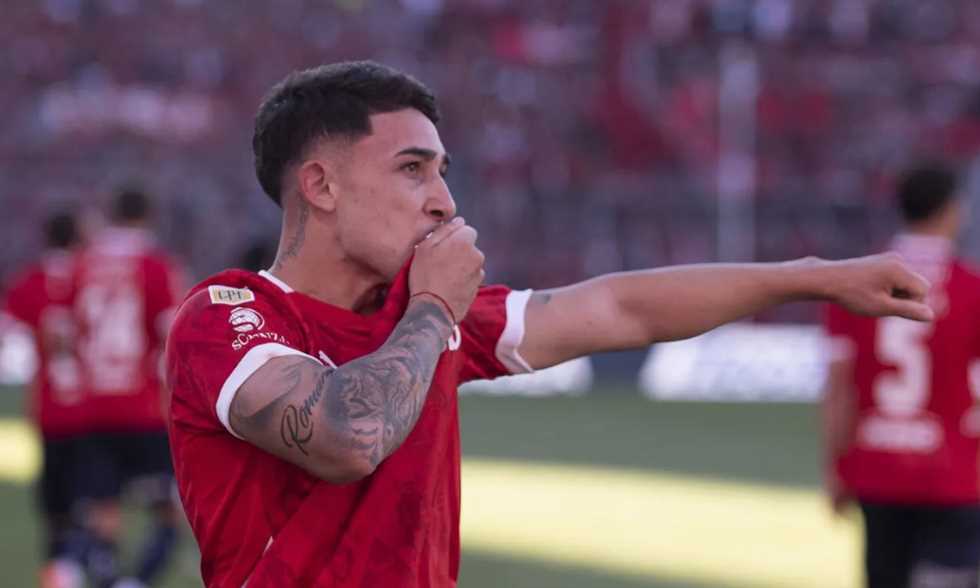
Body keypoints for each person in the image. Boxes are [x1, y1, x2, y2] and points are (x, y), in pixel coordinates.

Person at [166, 61, 934, 588]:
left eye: (442, 173)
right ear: (321, 185)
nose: (444, 201)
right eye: (412, 169)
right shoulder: (228, 317)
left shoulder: (421, 313)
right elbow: (346, 438)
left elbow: (619, 307)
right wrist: (433, 310)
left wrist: (814, 277)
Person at [822, 163, 980, 588]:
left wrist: (835, 466)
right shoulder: (972, 287)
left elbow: (839, 389)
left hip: (877, 469)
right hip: (952, 473)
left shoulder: (852, 286)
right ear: (951, 210)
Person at [71, 189, 184, 588]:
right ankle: (138, 581)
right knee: (167, 510)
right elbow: (172, 333)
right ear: (147, 215)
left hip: (92, 405)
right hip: (142, 406)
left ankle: (108, 581)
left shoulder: (83, 264)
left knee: (103, 512)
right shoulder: (155, 265)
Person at [2, 212, 87, 588]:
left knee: (55, 509)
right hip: (90, 409)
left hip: (50, 409)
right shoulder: (91, 276)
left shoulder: (30, 281)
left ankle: (60, 573)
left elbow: (10, 330)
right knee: (95, 506)